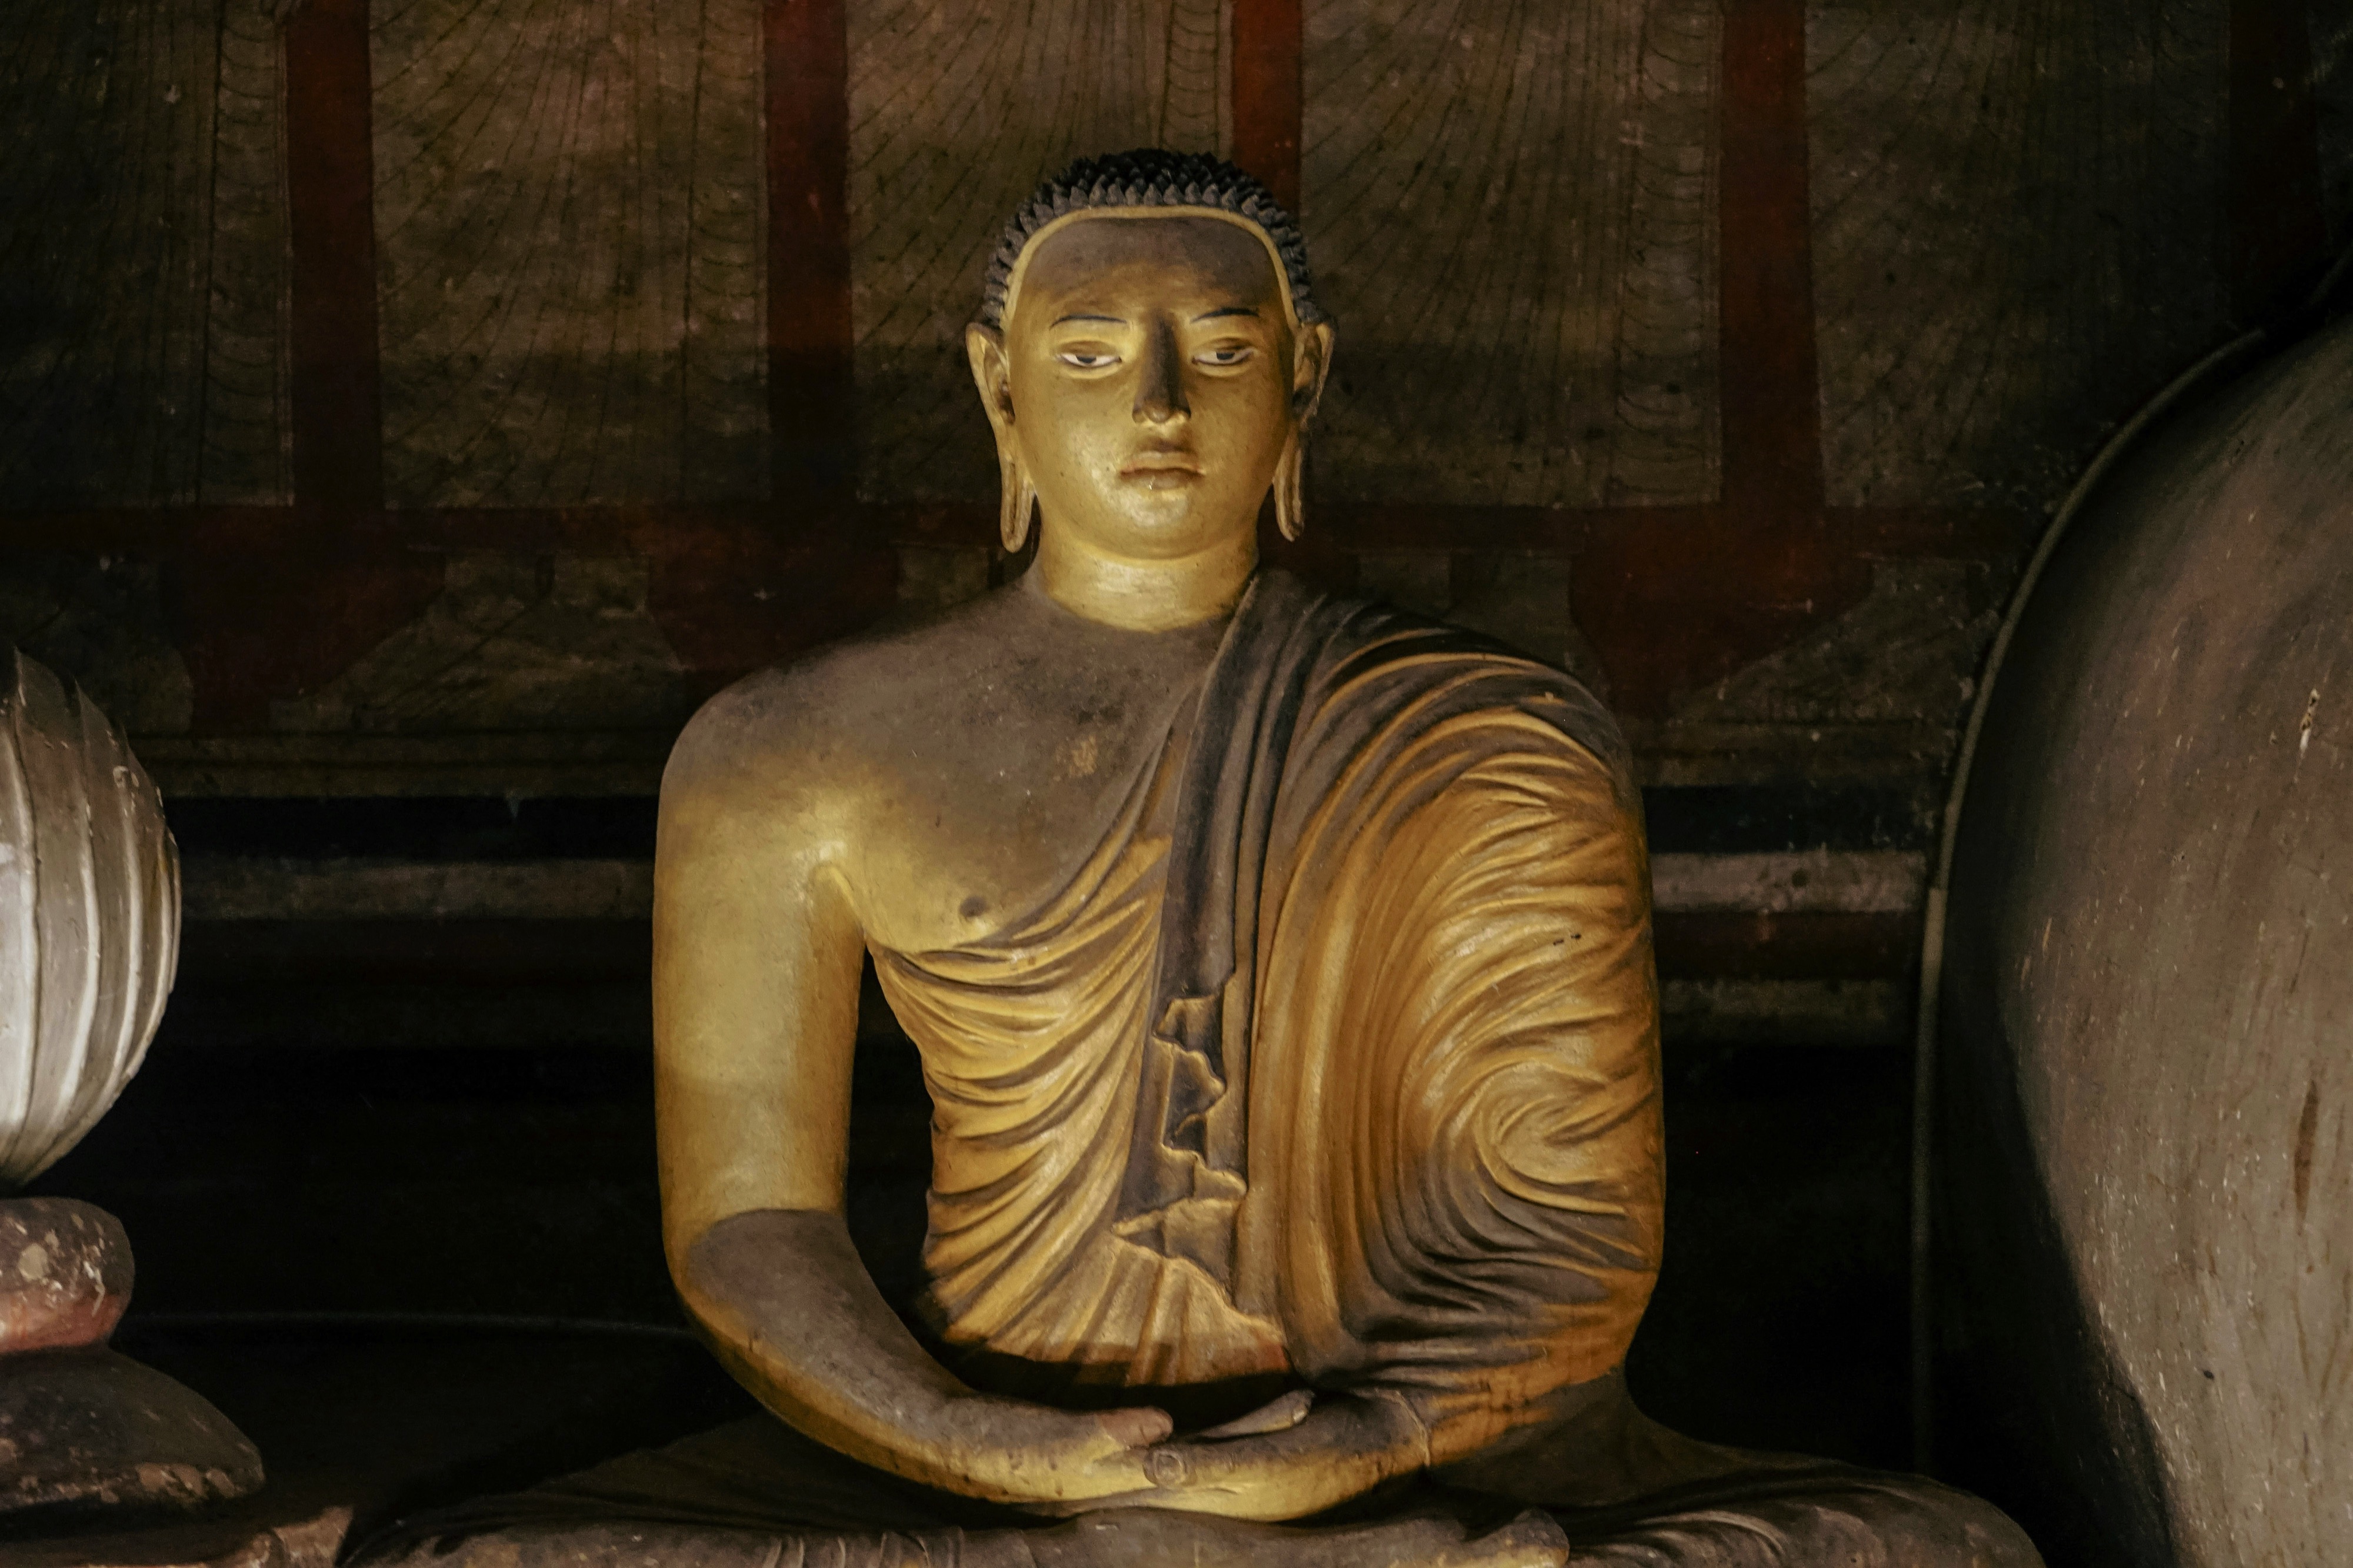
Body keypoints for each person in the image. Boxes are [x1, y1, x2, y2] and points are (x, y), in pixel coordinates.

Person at [356, 150, 2038, 1568]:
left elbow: (1571, 1224)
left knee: (1941, 1547)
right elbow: (747, 1224)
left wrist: (1367, 1428)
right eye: (1090, 355)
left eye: (1218, 352)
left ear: (1306, 374)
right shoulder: (781, 752)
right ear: (992, 380)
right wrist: (968, 1436)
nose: (1158, 404)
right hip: (983, 1485)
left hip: (1406, 1470)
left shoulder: (1494, 733)